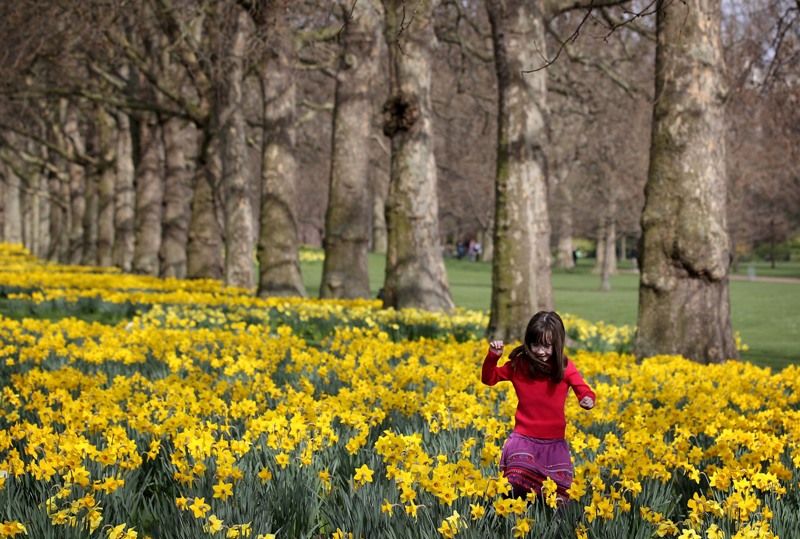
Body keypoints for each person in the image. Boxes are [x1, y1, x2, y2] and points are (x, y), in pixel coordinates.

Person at [481, 311, 595, 504]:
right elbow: (489, 379)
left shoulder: (565, 367)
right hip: (523, 439)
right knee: (514, 484)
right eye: (536, 345)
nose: (541, 351)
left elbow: (584, 390)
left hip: (554, 443)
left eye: (547, 346)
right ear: (528, 342)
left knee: (558, 499)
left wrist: (587, 399)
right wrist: (493, 357)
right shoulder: (519, 364)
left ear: (557, 343)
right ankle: (512, 517)